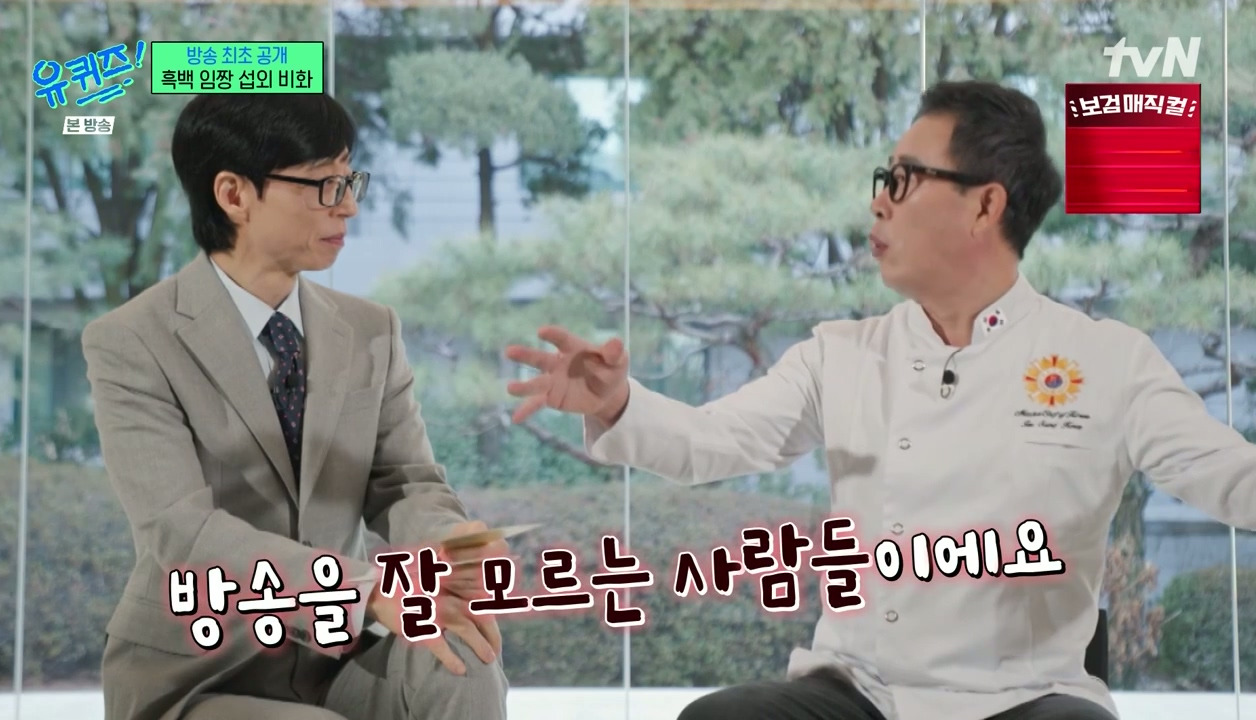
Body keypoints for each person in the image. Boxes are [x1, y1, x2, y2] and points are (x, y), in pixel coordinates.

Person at [504, 79, 1256, 720]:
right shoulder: (841, 354)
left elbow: (1226, 474)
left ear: (985, 206)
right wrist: (616, 401)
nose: (878, 204)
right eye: (882, 179)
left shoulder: (1106, 359)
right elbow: (710, 442)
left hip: (1025, 695)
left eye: (903, 179)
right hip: (860, 691)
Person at [82, 93, 509, 720]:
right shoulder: (132, 340)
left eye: (349, 181)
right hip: (200, 667)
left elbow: (404, 482)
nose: (349, 205)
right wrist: (362, 591)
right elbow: (181, 533)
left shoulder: (371, 330)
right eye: (323, 185)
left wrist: (451, 542)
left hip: (339, 658)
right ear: (234, 195)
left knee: (464, 657)